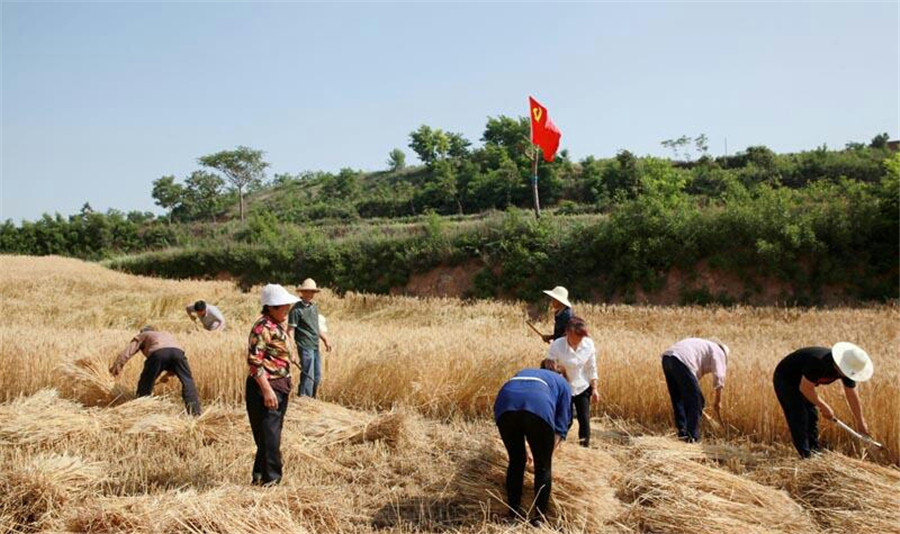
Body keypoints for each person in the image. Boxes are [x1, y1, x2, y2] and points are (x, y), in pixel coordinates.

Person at [494, 359, 572, 527]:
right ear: (561, 374)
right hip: (539, 406)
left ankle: (513, 513)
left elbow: (520, 404)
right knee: (542, 467)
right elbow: (561, 426)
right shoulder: (563, 383)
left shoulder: (525, 372)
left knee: (516, 461)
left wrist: (529, 447)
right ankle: (539, 519)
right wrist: (547, 452)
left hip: (505, 404)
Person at [773, 342, 873, 458]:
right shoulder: (819, 361)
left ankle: (815, 452)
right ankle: (806, 457)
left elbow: (851, 394)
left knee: (812, 416)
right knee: (799, 415)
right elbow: (805, 388)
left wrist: (860, 421)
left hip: (805, 382)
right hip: (787, 379)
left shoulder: (848, 371)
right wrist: (823, 406)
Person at [246, 284, 300, 486]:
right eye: (281, 307)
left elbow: (277, 349)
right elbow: (254, 362)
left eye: (287, 306)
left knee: (270, 433)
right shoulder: (262, 328)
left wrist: (289, 357)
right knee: (269, 436)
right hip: (266, 388)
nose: (286, 310)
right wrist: (267, 390)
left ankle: (259, 476)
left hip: (281, 384)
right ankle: (272, 480)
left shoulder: (277, 326)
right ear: (270, 307)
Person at [109, 326, 202, 416]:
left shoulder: (143, 334)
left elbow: (127, 352)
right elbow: (171, 355)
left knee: (145, 383)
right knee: (188, 382)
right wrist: (167, 376)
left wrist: (116, 367)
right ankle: (195, 413)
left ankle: (141, 409)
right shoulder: (166, 334)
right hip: (179, 353)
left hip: (158, 354)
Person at [660, 337, 729, 442]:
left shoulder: (704, 346)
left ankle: (682, 434)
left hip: (667, 358)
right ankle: (692, 437)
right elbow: (719, 376)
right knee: (697, 401)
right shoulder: (719, 351)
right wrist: (718, 401)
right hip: (681, 361)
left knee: (678, 399)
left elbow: (690, 379)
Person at [547, 317, 598, 447]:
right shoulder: (557, 345)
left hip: (582, 386)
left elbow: (592, 367)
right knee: (566, 420)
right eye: (578, 336)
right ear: (568, 332)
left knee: (584, 420)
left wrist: (595, 388)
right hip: (564, 388)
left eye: (582, 337)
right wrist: (558, 373)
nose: (580, 340)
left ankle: (584, 448)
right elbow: (549, 365)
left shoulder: (588, 344)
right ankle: (554, 446)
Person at [287, 278, 332, 398]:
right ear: (302, 292)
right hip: (305, 346)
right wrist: (292, 350)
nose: (310, 294)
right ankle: (304, 400)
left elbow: (316, 327)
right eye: (307, 291)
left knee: (317, 376)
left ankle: (312, 399)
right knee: (308, 376)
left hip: (315, 345)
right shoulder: (296, 310)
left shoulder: (313, 307)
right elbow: (290, 331)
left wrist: (325, 339)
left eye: (312, 292)